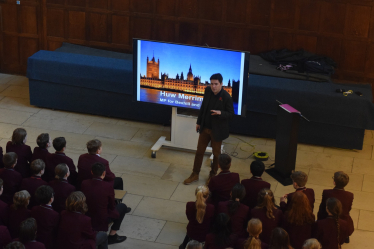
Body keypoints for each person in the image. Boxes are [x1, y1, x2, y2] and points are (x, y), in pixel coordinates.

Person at [184, 73, 234, 185]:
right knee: (199, 152)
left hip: (217, 131)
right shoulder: (207, 91)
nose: (213, 87)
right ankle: (195, 174)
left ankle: (212, 175)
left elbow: (231, 114)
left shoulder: (226, 97)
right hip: (205, 127)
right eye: (212, 84)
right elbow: (203, 107)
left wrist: (220, 113)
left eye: (216, 84)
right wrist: (198, 122)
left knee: (216, 155)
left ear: (221, 84)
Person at [80, 163, 128, 245]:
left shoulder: (84, 183)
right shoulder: (107, 186)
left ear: (92, 172)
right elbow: (112, 205)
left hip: (87, 214)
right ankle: (113, 235)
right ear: (104, 173)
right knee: (122, 207)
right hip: (102, 218)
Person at [317, 171, 354, 239]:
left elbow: (322, 207)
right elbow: (348, 209)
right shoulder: (350, 195)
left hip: (327, 218)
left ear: (334, 182)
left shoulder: (327, 192)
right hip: (343, 219)